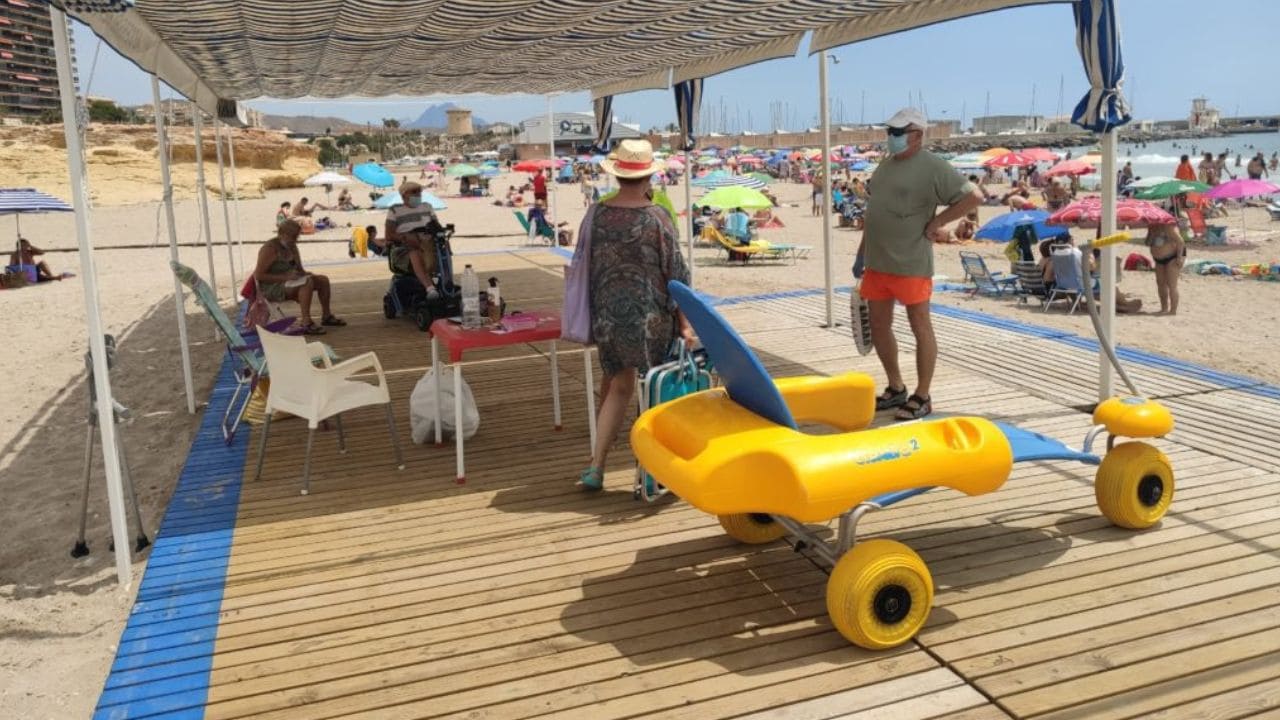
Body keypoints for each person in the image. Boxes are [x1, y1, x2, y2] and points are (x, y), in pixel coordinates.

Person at [853, 108, 982, 421]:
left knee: (919, 326)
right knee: (880, 325)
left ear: (918, 135)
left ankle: (922, 395)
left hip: (911, 261)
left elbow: (973, 197)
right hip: (877, 262)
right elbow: (874, 212)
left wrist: (937, 222)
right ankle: (896, 386)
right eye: (890, 132)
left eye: (898, 132)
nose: (891, 137)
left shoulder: (933, 166)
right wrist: (861, 254)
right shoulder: (885, 166)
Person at [578, 139, 692, 491]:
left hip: (608, 314)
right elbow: (677, 275)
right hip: (650, 317)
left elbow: (583, 261)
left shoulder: (596, 213)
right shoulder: (655, 217)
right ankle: (649, 472)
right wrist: (686, 323)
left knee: (619, 386)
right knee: (654, 392)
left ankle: (596, 466)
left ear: (618, 176)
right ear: (648, 178)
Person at [253, 220, 343, 335]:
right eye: (293, 236)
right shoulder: (270, 249)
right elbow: (259, 275)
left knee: (323, 280)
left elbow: (299, 268)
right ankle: (306, 321)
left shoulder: (291, 246)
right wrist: (285, 277)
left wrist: (304, 274)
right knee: (307, 284)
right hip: (272, 286)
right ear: (282, 234)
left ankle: (327, 316)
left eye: (297, 236)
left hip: (291, 281)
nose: (296, 239)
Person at [383, 181, 443, 298]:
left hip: (427, 240)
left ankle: (442, 284)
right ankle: (429, 288)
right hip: (403, 246)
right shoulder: (395, 210)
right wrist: (404, 237)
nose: (418, 194)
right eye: (414, 192)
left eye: (419, 192)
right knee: (414, 249)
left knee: (441, 247)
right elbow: (389, 235)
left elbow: (437, 226)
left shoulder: (427, 207)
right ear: (404, 195)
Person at [1145, 223, 1185, 315]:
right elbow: (1147, 243)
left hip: (1172, 258)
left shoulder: (1167, 227)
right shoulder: (1151, 227)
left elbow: (1181, 242)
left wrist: (1180, 257)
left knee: (1172, 285)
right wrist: (1152, 234)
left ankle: (1173, 310)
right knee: (1161, 284)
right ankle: (1164, 308)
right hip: (1158, 260)